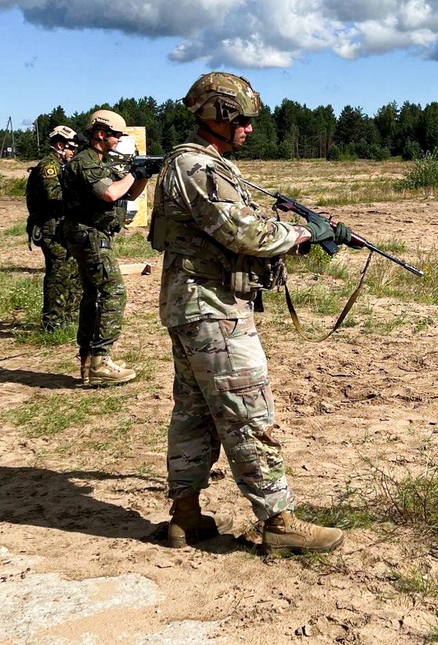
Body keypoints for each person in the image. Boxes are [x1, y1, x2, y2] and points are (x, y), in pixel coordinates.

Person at [150, 72, 353, 553]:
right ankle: (279, 521)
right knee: (247, 411)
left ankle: (185, 515)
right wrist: (303, 234)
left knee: (196, 413)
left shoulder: (207, 165)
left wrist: (305, 243)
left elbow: (233, 239)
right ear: (218, 117)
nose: (249, 129)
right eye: (242, 120)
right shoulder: (196, 167)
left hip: (200, 306)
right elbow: (244, 232)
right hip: (211, 310)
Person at [61, 110, 154, 386]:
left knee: (93, 294)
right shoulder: (85, 162)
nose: (118, 140)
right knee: (113, 291)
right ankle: (100, 360)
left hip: (92, 234)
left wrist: (143, 175)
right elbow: (111, 193)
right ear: (101, 134)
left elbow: (129, 192)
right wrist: (132, 172)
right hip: (88, 234)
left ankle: (89, 361)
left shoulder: (99, 161)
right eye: (115, 135)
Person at [26, 125, 82, 332]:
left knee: (72, 272)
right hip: (50, 228)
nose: (73, 153)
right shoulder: (49, 167)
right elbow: (53, 196)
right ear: (60, 145)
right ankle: (53, 321)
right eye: (71, 149)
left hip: (60, 227)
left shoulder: (60, 166)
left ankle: (69, 316)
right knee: (58, 275)